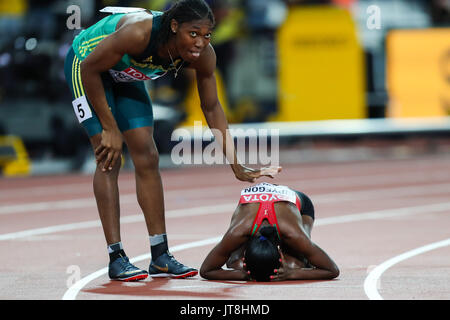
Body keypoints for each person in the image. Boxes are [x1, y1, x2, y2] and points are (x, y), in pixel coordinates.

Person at [64, 0, 281, 281]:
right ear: (175, 27)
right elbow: (90, 68)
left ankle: (160, 255)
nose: (200, 42)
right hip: (86, 64)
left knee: (148, 155)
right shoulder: (138, 34)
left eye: (207, 35)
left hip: (124, 74)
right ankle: (116, 257)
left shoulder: (203, 55)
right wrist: (109, 127)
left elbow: (212, 108)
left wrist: (236, 164)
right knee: (109, 156)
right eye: (193, 33)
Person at [200, 182, 339, 281]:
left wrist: (291, 273)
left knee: (299, 263)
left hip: (300, 204)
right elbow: (206, 270)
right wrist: (245, 274)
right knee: (232, 263)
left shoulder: (293, 233)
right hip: (260, 212)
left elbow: (332, 270)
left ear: (280, 253)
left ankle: (293, 262)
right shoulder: (237, 232)